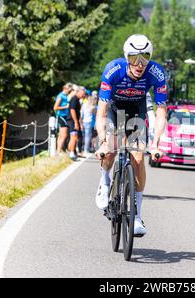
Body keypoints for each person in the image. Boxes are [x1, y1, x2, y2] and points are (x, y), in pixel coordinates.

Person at [94, 34, 167, 236]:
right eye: (135, 58)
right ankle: (104, 181)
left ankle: (136, 216)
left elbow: (161, 114)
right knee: (111, 148)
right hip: (114, 109)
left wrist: (156, 143)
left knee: (138, 157)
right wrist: (102, 142)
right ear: (127, 58)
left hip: (137, 109)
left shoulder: (156, 73)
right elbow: (101, 112)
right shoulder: (113, 70)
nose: (140, 64)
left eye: (145, 57)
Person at [53, 83, 73, 155]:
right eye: (69, 90)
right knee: (63, 135)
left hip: (64, 116)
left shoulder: (65, 96)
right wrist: (65, 107)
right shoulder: (61, 96)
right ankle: (58, 151)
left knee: (61, 134)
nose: (70, 91)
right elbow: (55, 108)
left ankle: (59, 151)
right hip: (61, 116)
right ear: (65, 88)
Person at [67, 87, 86, 161]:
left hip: (75, 120)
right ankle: (71, 153)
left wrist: (80, 123)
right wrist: (75, 122)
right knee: (74, 136)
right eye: (83, 94)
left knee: (75, 136)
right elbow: (72, 110)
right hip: (72, 120)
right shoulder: (74, 99)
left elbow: (78, 113)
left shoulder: (78, 100)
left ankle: (71, 152)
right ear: (78, 92)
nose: (83, 95)